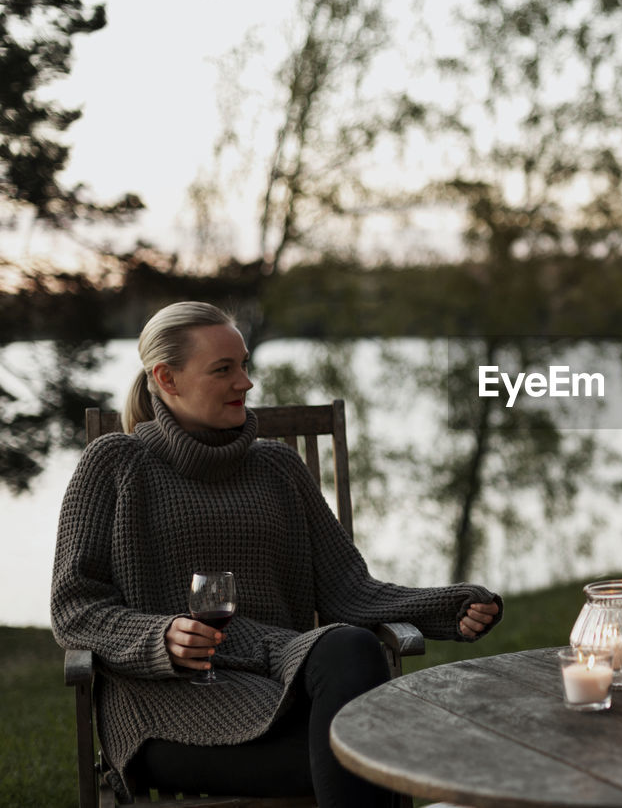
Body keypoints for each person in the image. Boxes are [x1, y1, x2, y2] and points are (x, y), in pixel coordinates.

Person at [50, 301, 503, 807]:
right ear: (167, 378)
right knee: (378, 755)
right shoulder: (114, 464)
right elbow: (75, 606)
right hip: (169, 710)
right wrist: (160, 638)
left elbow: (348, 589)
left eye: (244, 364)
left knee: (350, 649)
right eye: (224, 369)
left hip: (281, 685)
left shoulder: (279, 467)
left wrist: (446, 607)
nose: (245, 382)